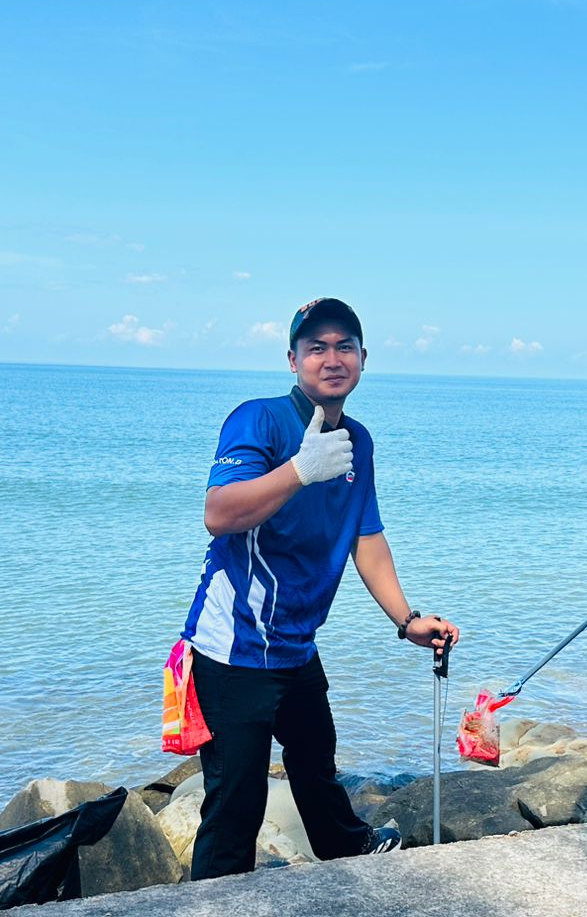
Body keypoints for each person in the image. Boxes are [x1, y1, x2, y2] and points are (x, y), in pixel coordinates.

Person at [180, 297, 459, 879]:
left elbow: (366, 537)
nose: (332, 359)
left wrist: (407, 621)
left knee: (315, 764)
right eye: (316, 348)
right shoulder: (258, 420)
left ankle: (349, 859)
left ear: (363, 358)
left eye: (344, 346)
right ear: (293, 360)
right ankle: (212, 908)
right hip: (234, 648)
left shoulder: (358, 440)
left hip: (297, 645)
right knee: (235, 805)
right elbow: (219, 513)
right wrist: (300, 469)